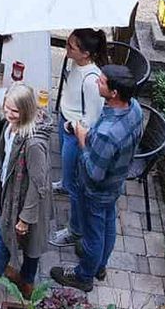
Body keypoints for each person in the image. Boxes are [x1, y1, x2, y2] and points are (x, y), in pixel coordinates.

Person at [50, 63, 144, 292]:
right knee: (108, 223)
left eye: (101, 82)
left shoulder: (107, 133)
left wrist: (82, 139)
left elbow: (93, 172)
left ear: (114, 93)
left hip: (96, 191)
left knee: (93, 235)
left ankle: (84, 276)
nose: (96, 82)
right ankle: (100, 265)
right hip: (115, 182)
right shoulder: (135, 109)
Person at [0, 84, 51, 305]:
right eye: (6, 108)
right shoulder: (15, 123)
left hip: (23, 201)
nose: (8, 114)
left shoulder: (34, 144)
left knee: (3, 239)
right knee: (31, 243)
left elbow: (38, 185)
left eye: (14, 110)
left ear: (27, 110)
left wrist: (25, 218)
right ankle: (26, 282)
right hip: (13, 189)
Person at [49, 28, 108, 249]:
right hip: (66, 120)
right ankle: (64, 183)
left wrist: (71, 126)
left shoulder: (92, 81)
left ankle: (75, 230)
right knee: (68, 174)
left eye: (71, 47)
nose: (66, 48)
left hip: (73, 132)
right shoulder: (76, 63)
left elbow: (91, 120)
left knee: (75, 184)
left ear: (86, 53)